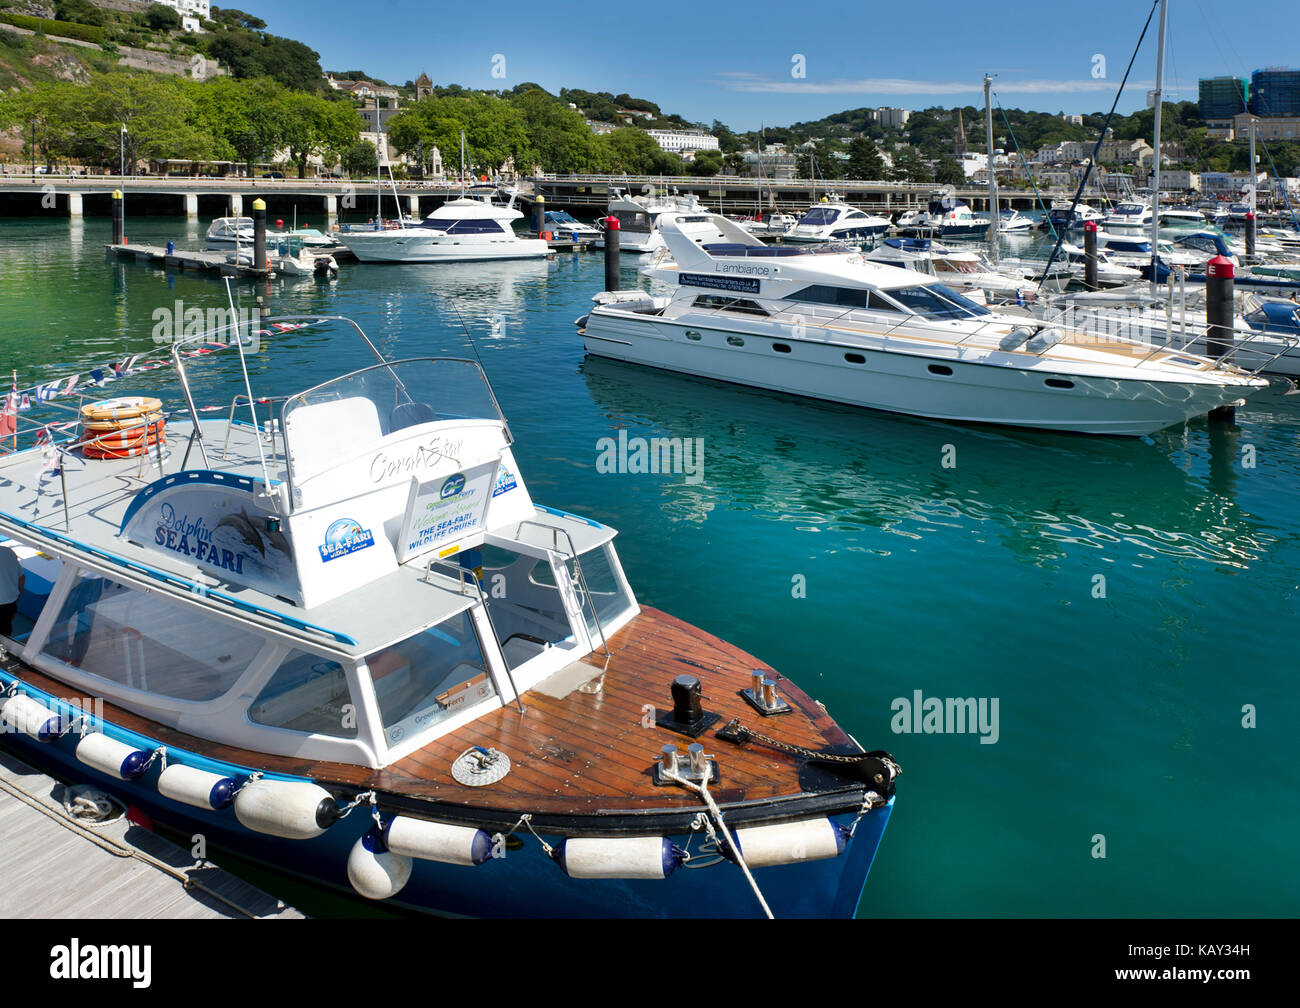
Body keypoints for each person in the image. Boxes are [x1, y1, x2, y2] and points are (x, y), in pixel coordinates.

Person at [0, 544, 24, 639]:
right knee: (5, 635)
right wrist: (16, 599)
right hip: (10, 605)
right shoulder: (8, 552)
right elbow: (22, 578)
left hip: (9, 604)